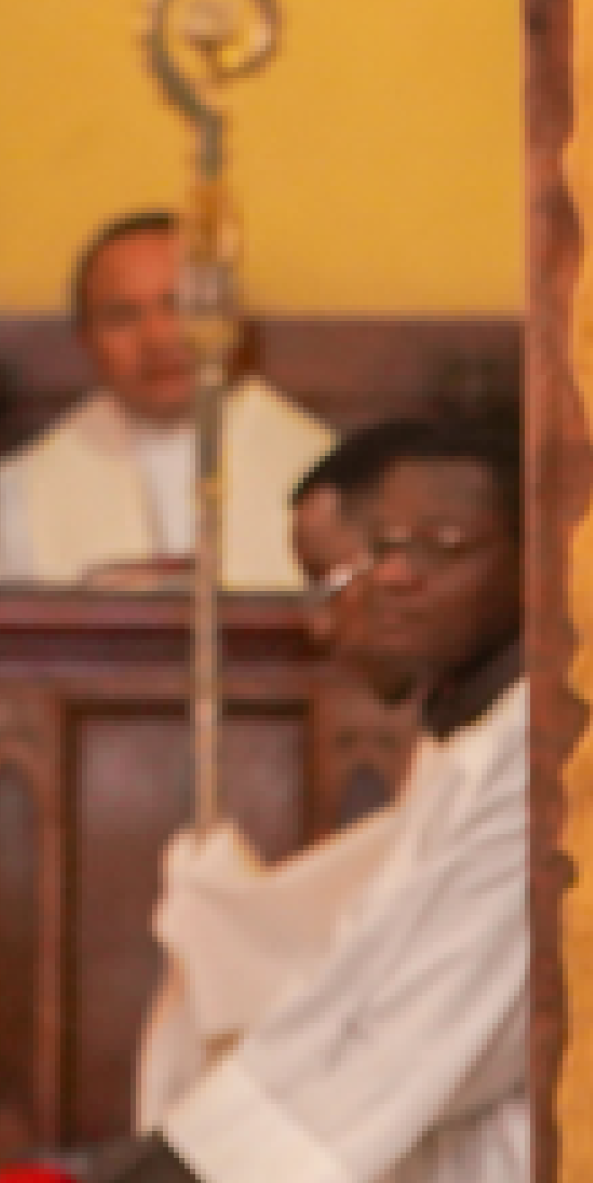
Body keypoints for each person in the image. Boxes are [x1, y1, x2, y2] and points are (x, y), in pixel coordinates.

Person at [86, 418, 528, 1183]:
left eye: (331, 584)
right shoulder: (468, 753)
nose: (325, 627)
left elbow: (377, 1055)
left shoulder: (544, 765)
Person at [130, 420, 439, 1126]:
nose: (325, 627)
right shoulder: (454, 744)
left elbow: (395, 992)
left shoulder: (512, 748)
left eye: (332, 582)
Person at [0, 213, 330, 588]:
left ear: (231, 317)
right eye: (121, 315)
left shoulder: (323, 469)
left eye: (180, 305)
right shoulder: (21, 491)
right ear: (85, 339)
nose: (158, 338)